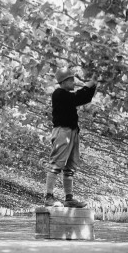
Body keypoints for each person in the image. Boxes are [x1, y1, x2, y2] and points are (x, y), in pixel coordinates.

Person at [44, 67, 98, 208]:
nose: (74, 82)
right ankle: (48, 196)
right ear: (64, 81)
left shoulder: (66, 94)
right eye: (71, 80)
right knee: (56, 163)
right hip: (62, 131)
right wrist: (90, 84)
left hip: (72, 132)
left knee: (70, 167)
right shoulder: (59, 93)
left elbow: (85, 98)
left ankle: (69, 198)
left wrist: (93, 85)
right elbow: (78, 98)